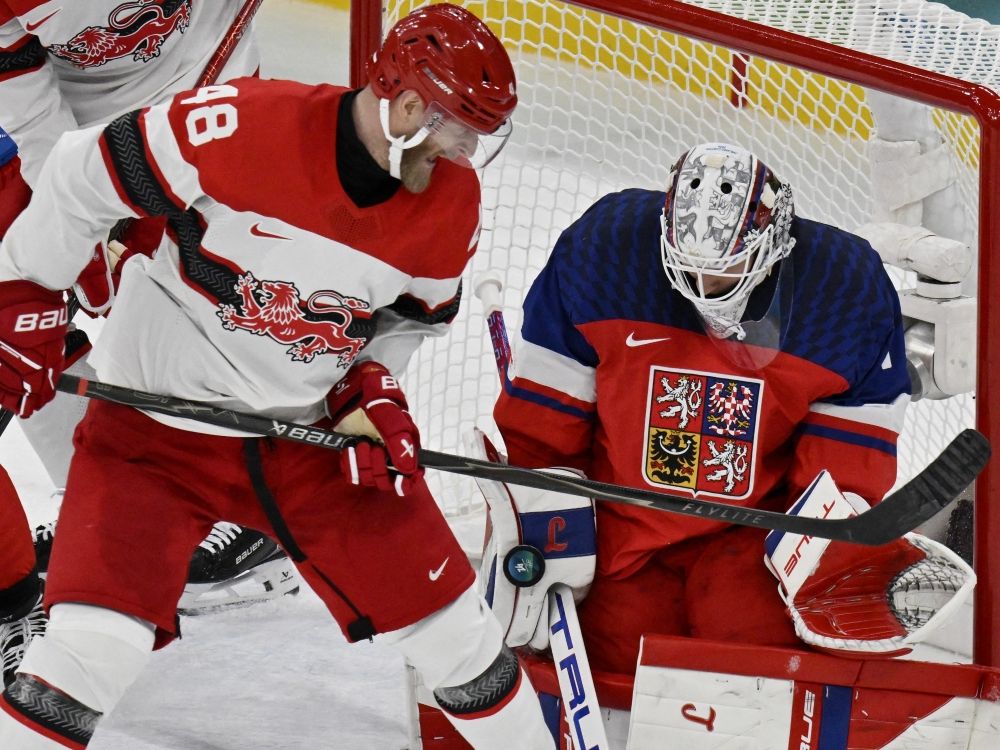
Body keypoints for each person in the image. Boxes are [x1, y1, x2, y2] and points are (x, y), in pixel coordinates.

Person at [0, 4, 555, 748]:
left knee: (462, 643)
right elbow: (76, 173)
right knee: (86, 657)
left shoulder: (451, 205)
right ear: (411, 105)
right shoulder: (240, 126)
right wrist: (28, 290)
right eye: (460, 129)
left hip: (310, 440)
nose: (464, 153)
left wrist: (371, 385)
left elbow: (414, 319)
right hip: (151, 439)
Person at [491, 142, 917, 676]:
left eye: (725, 269)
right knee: (616, 673)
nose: (703, 289)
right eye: (688, 268)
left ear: (774, 238)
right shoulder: (605, 254)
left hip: (752, 540)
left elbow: (844, 463)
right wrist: (541, 514)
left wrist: (825, 546)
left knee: (753, 676)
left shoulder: (842, 291)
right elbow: (546, 419)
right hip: (622, 535)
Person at [0, 0, 300, 647]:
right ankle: (112, 517)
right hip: (82, 131)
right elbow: (28, 109)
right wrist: (76, 209)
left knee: (202, 305)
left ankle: (243, 513)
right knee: (21, 313)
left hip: (211, 104)